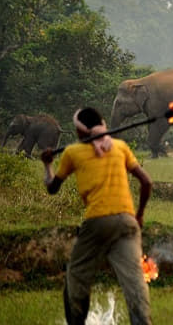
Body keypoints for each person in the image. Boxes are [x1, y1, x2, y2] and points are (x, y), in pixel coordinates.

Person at [41, 107, 153, 325]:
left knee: (76, 277)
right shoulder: (120, 147)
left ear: (81, 132)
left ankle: (76, 320)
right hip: (127, 223)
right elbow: (147, 182)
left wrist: (47, 164)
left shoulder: (72, 153)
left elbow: (52, 187)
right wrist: (138, 216)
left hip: (97, 221)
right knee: (135, 282)